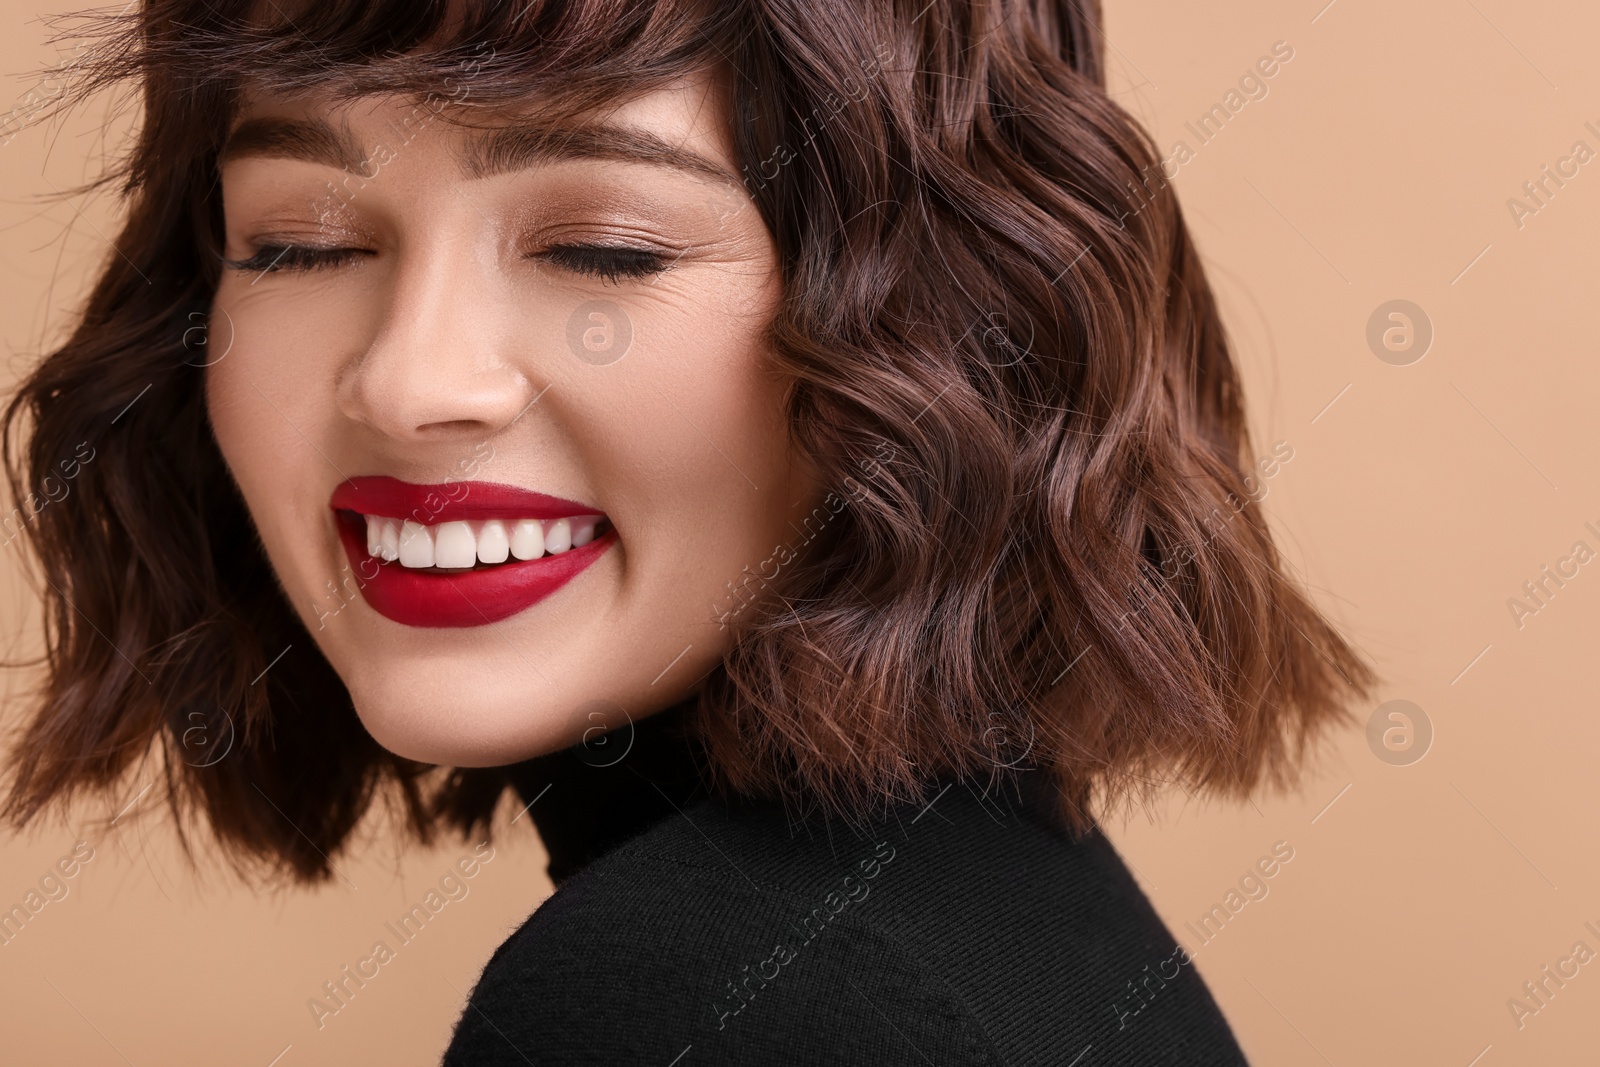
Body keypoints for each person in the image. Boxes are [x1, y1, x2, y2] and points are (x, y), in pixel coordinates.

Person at [2, 0, 1373, 1062]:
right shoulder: (983, 912)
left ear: (947, 323)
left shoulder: (705, 1003)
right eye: (299, 242)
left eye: (604, 248)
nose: (410, 383)